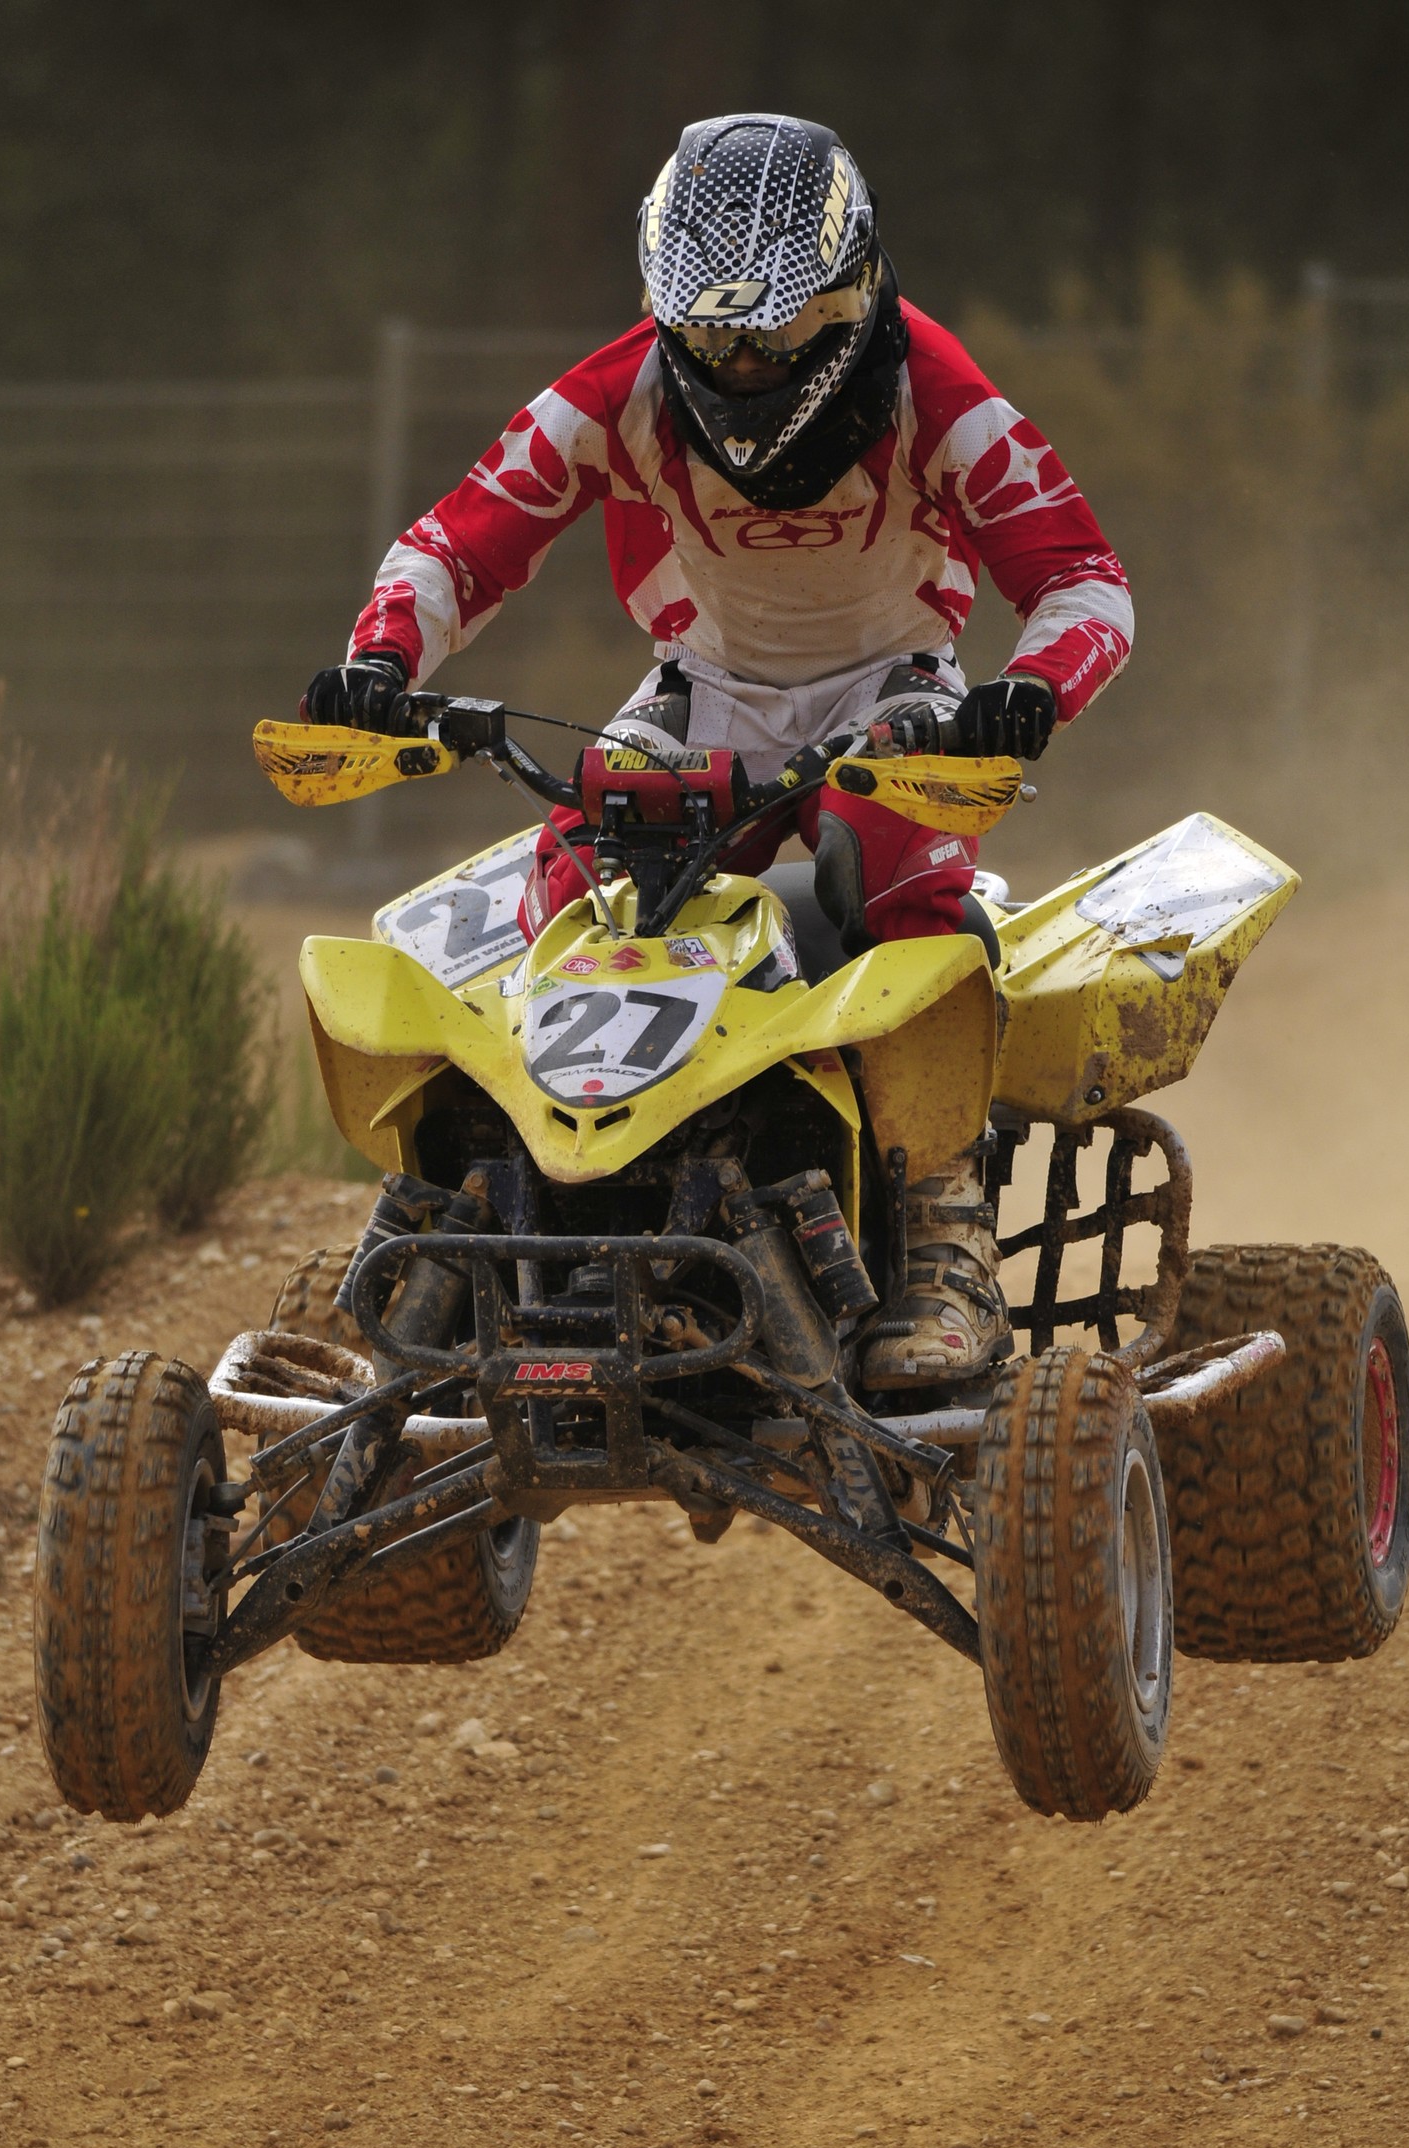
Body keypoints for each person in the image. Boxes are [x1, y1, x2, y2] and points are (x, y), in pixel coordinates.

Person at [304, 113, 1132, 1388]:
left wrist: (1025, 693)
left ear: (848, 297)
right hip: (700, 689)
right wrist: (379, 663)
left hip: (896, 695)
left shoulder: (936, 390)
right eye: (710, 336)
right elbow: (454, 544)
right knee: (579, 873)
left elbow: (1084, 580)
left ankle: (941, 1237)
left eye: (773, 336)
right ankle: (490, 1225)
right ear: (663, 309)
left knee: (898, 880)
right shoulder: (618, 386)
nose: (740, 366)